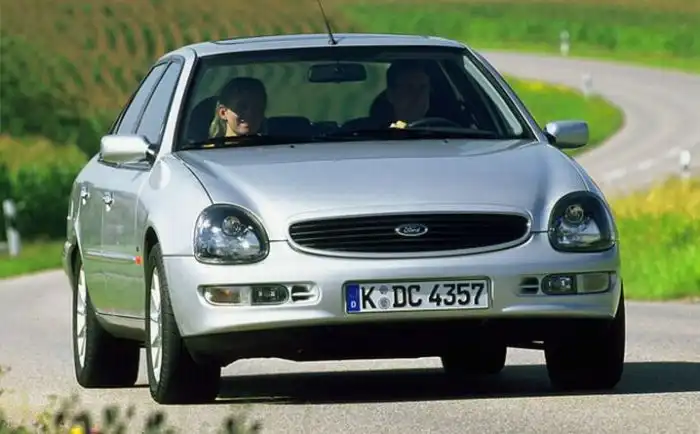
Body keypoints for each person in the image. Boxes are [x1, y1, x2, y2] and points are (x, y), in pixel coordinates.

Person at [384, 60, 431, 125]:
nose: (418, 96)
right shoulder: (376, 129)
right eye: (409, 88)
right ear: (390, 95)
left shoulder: (439, 128)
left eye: (423, 87)